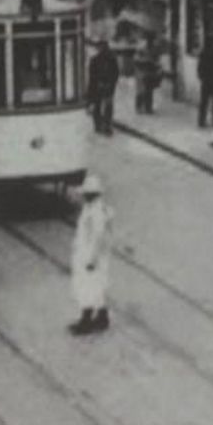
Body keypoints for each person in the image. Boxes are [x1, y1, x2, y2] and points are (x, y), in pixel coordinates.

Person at [68, 175, 114, 336]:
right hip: (90, 253)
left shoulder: (96, 212)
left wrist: (92, 258)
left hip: (91, 255)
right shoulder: (93, 208)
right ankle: (102, 316)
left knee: (87, 286)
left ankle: (86, 321)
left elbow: (98, 236)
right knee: (97, 285)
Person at [87, 41, 120, 135]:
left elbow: (116, 73)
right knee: (100, 106)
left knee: (107, 107)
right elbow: (92, 76)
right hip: (99, 87)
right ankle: (100, 125)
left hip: (107, 87)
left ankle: (105, 126)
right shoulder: (95, 60)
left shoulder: (111, 60)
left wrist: (111, 83)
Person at [196, 41, 213, 129]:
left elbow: (199, 68)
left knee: (204, 101)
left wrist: (202, 77)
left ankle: (201, 121)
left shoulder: (203, 54)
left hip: (207, 81)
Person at [134, 39, 161, 114]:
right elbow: (136, 59)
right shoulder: (141, 47)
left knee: (149, 90)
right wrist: (145, 60)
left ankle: (148, 107)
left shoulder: (154, 48)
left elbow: (157, 59)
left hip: (150, 71)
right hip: (141, 71)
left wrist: (156, 64)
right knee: (141, 90)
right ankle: (138, 107)